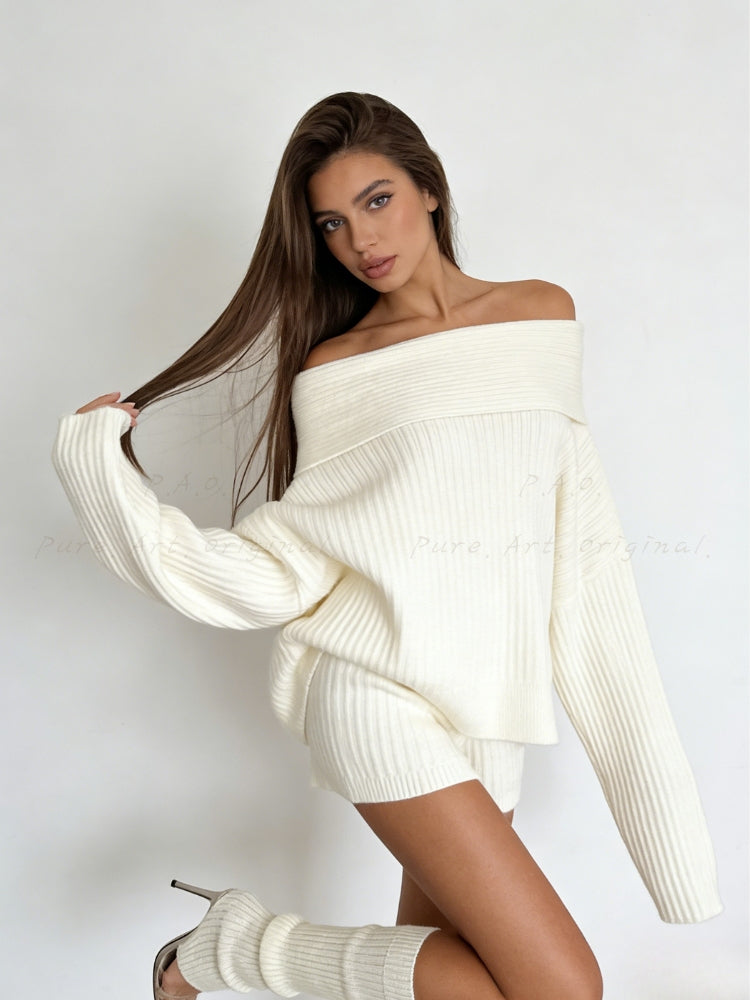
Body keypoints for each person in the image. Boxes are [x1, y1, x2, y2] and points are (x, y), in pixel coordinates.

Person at [51, 92, 722, 1000]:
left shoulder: (540, 318)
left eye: (377, 200)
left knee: (446, 985)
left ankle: (221, 951)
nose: (360, 240)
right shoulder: (337, 371)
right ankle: (230, 950)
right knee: (562, 988)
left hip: (489, 717)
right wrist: (101, 475)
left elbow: (586, 564)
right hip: (375, 698)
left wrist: (666, 836)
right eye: (331, 223)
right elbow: (286, 566)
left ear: (429, 189)